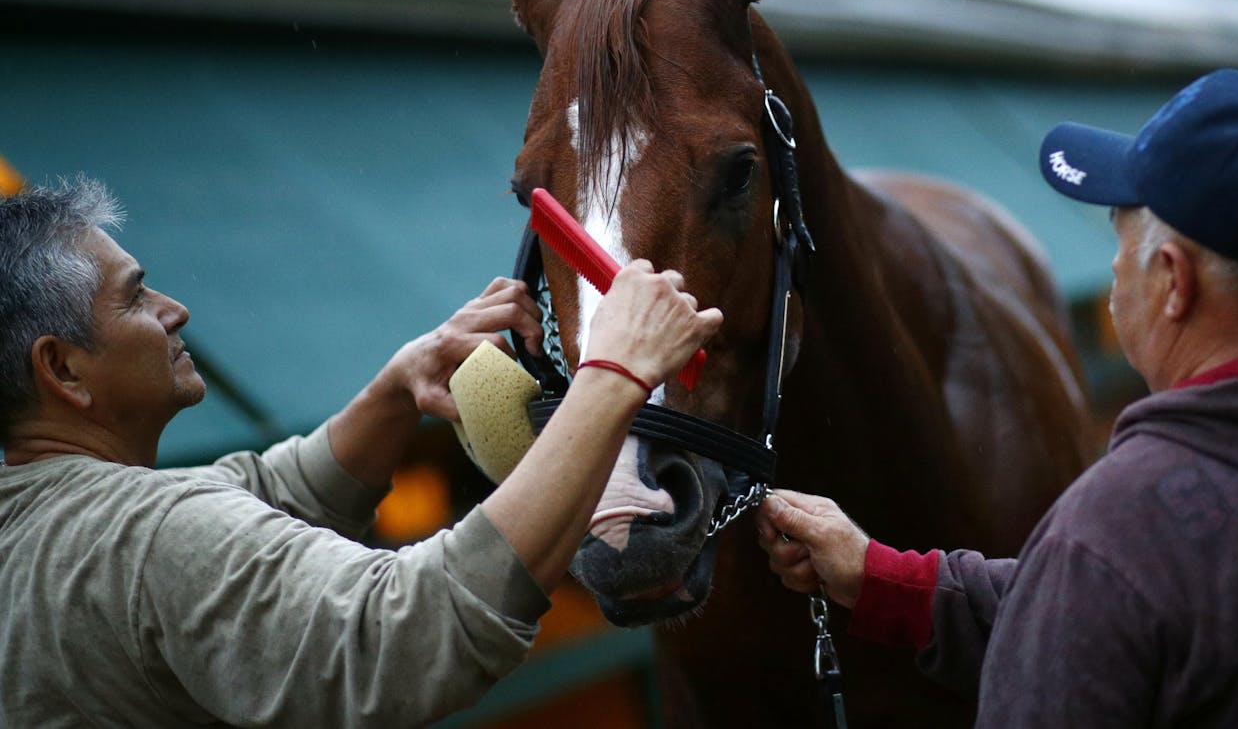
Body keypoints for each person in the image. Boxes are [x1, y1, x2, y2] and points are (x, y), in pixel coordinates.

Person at [757, 68, 1238, 725]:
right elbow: (1117, 615)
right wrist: (881, 579)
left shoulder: (1115, 533)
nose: (1110, 264)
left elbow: (1109, 598)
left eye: (1120, 230)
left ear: (1173, 280)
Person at [0, 175, 721, 727]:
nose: (172, 309)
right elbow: (402, 628)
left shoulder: (36, 526)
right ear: (62, 369)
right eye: (134, 299)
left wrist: (393, 391)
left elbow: (247, 498)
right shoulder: (147, 537)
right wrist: (615, 374)